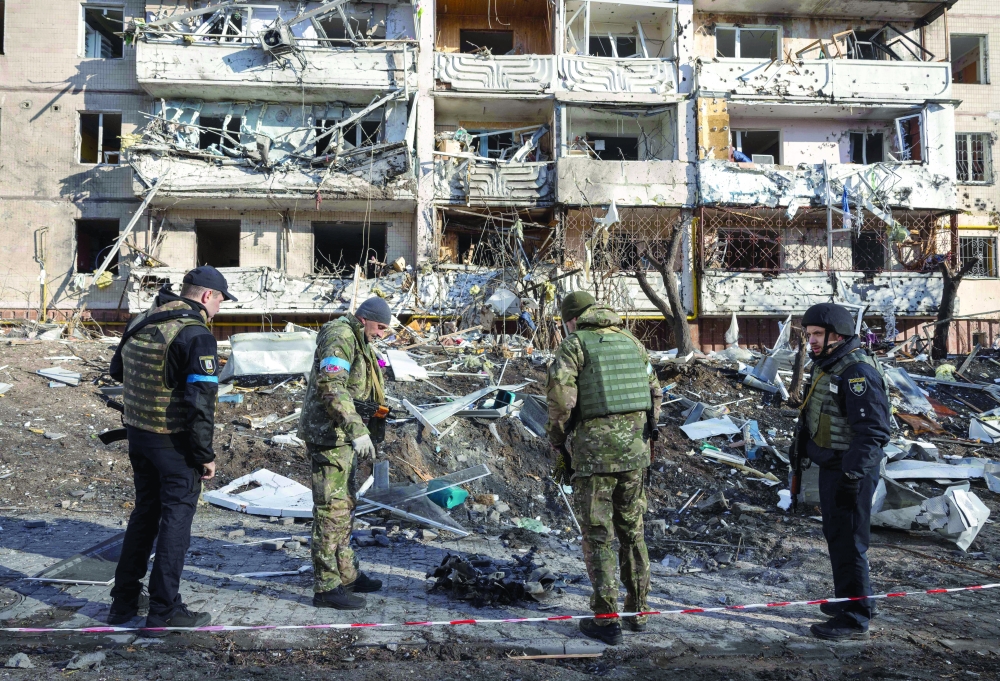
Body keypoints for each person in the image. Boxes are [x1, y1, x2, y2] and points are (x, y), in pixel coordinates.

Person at [108, 266, 235, 629]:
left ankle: (123, 604)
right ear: (208, 296)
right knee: (175, 522)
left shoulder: (143, 318)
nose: (220, 309)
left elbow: (118, 371)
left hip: (137, 434)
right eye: (222, 301)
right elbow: (201, 402)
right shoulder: (196, 335)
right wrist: (204, 455)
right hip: (173, 443)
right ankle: (164, 611)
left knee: (145, 514)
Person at [545, 291, 662, 645]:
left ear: (572, 319)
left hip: (594, 456)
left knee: (598, 534)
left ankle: (606, 619)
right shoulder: (632, 342)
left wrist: (557, 441)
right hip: (636, 454)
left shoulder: (575, 345)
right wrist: (647, 437)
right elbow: (655, 393)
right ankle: (638, 610)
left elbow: (561, 401)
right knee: (632, 531)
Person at [796, 303, 891, 640]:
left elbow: (873, 433)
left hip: (851, 471)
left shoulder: (856, 373)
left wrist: (852, 477)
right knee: (838, 537)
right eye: (809, 335)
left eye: (818, 334)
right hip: (835, 467)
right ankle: (851, 598)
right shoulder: (831, 365)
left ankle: (855, 617)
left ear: (838, 334)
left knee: (851, 542)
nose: (812, 341)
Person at [298, 297, 392, 610]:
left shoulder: (358, 337)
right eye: (379, 327)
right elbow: (332, 386)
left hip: (341, 437)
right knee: (331, 510)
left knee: (345, 505)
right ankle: (326, 586)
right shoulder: (340, 336)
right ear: (364, 318)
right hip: (330, 436)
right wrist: (357, 429)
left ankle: (346, 574)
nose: (381, 334)